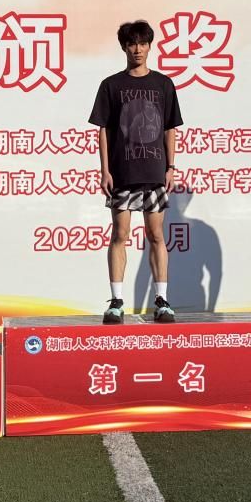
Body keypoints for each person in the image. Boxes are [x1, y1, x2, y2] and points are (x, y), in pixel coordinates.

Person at [89, 19, 183, 324]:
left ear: (150, 46)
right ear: (124, 47)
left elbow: (169, 128)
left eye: (143, 43)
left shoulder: (163, 84)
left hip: (155, 171)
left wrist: (171, 166)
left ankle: (162, 301)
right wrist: (105, 170)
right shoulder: (111, 85)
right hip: (123, 172)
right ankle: (116, 302)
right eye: (132, 44)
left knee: (156, 235)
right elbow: (103, 130)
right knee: (120, 234)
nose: (137, 49)